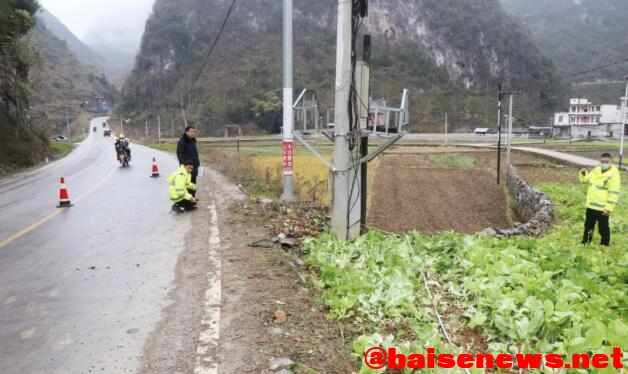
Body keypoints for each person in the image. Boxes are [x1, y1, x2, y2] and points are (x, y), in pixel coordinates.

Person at [579, 153, 621, 246]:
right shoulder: (596, 170)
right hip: (591, 205)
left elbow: (613, 193)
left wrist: (609, 208)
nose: (604, 163)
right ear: (599, 161)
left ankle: (604, 245)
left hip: (603, 207)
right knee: (588, 226)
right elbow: (585, 180)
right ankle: (586, 242)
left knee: (603, 228)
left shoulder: (614, 175)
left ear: (611, 161)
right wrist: (583, 174)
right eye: (602, 161)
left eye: (606, 162)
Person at [176, 126, 200, 196]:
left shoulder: (193, 141)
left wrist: (198, 163)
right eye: (191, 132)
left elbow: (195, 153)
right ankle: (186, 203)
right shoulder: (182, 141)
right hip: (186, 167)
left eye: (194, 132)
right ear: (186, 132)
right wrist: (185, 165)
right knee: (186, 184)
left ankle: (192, 201)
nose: (193, 133)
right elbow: (180, 155)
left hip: (194, 166)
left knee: (193, 184)